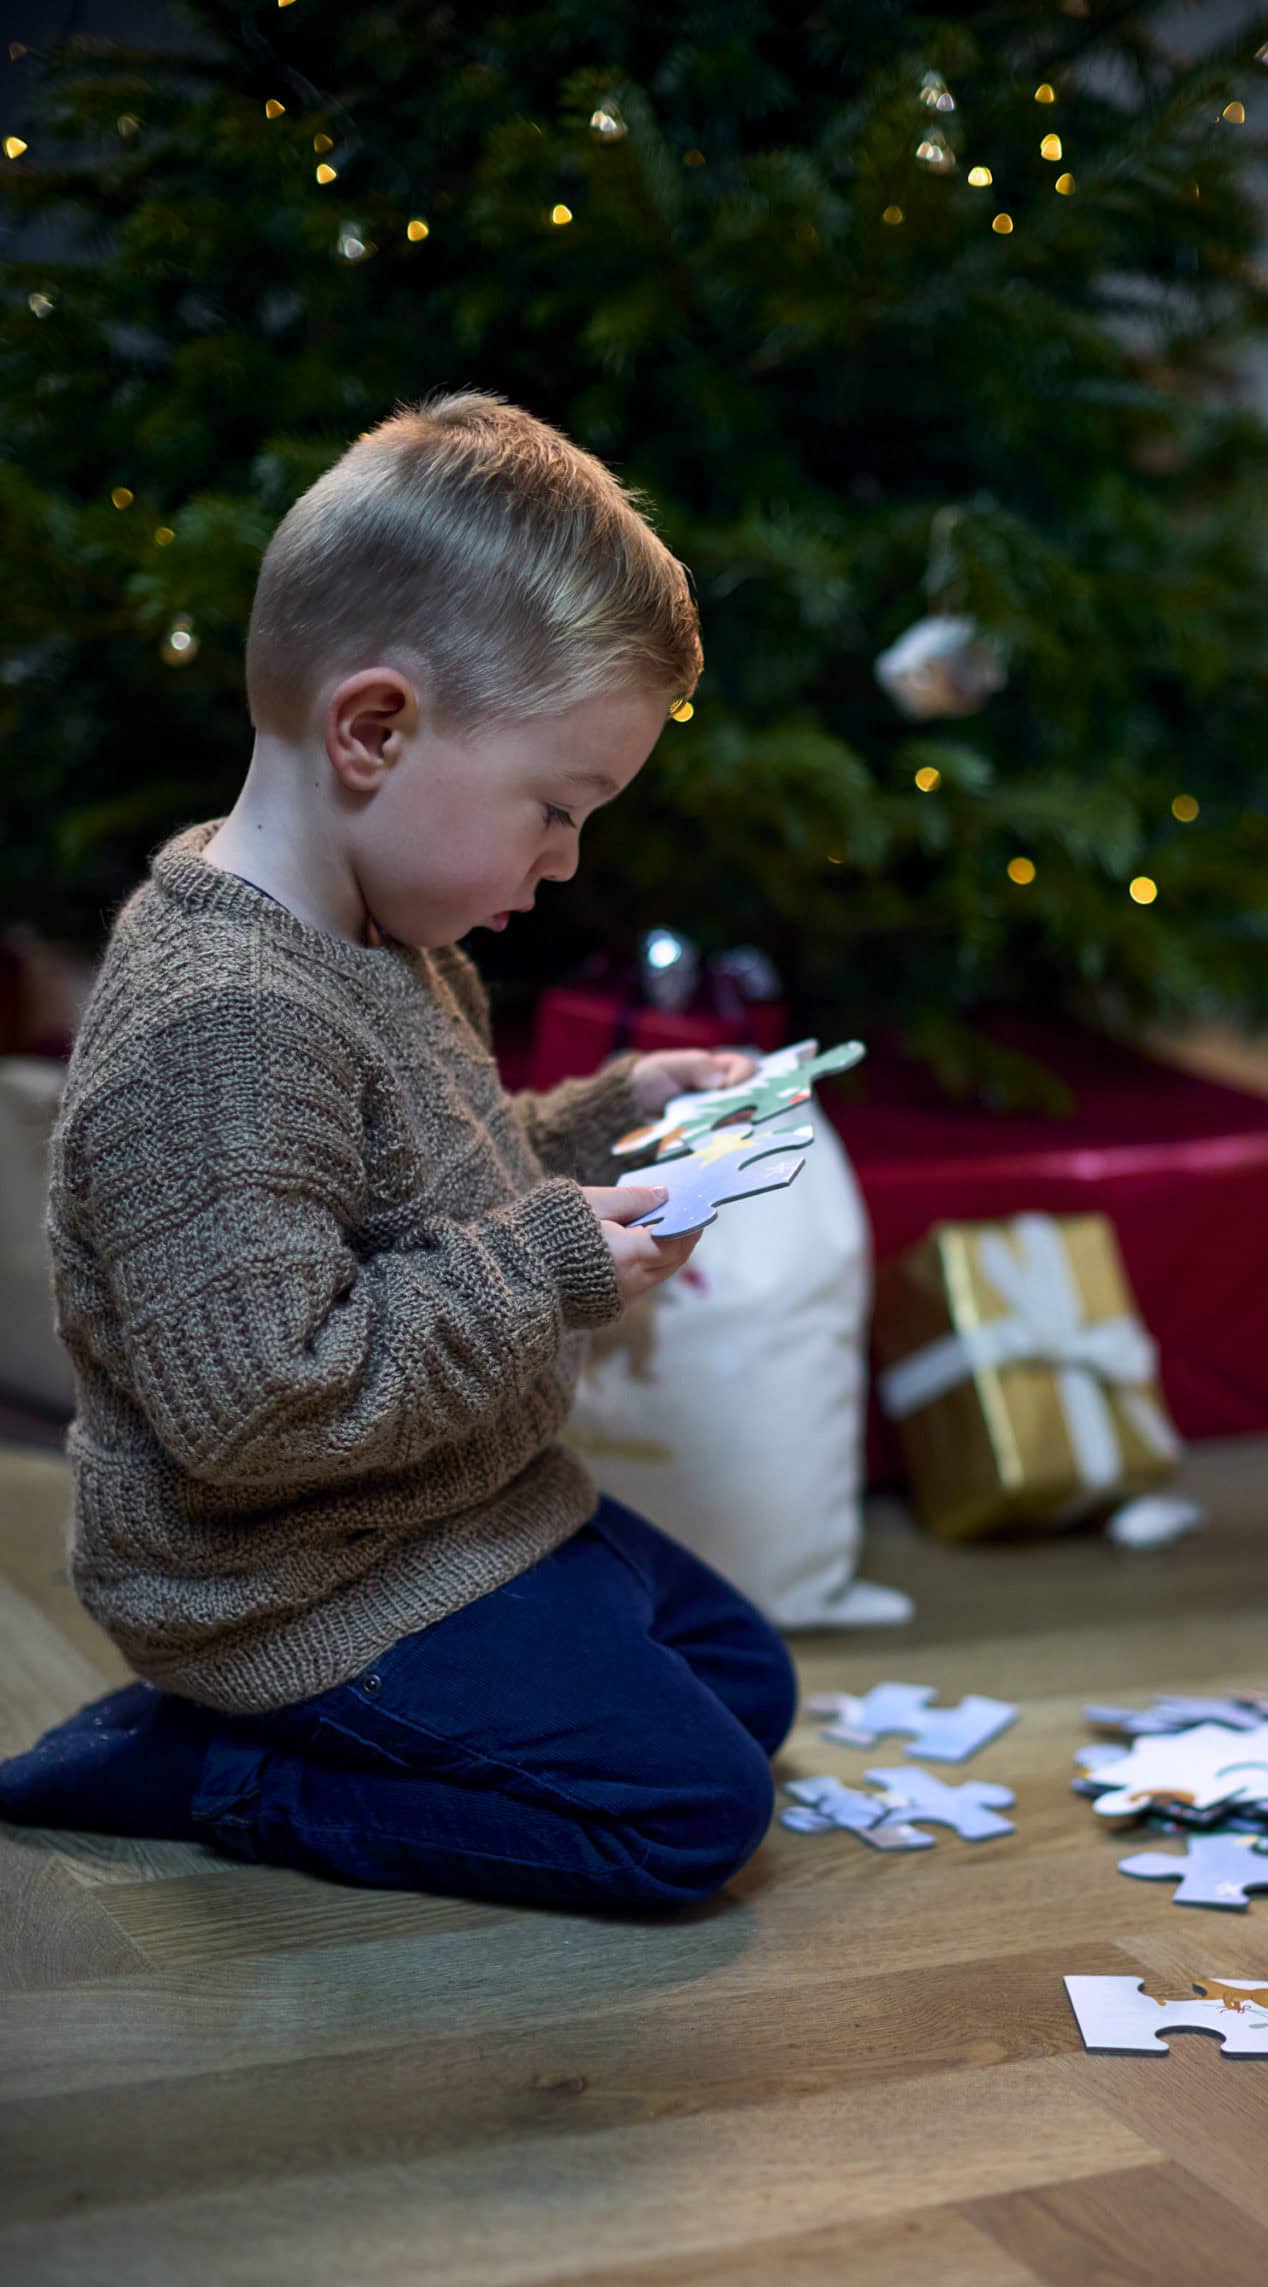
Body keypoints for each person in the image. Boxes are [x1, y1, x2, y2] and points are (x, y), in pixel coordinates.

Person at [0, 390, 798, 1909]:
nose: (564, 860)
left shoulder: (387, 936)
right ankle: (219, 1768)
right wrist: (552, 1265)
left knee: (748, 1691)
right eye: (553, 808)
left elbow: (432, 1189)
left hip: (455, 1502)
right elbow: (263, 1402)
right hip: (292, 1579)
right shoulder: (222, 1023)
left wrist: (609, 1117)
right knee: (690, 1818)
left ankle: (347, 1729)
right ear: (374, 730)